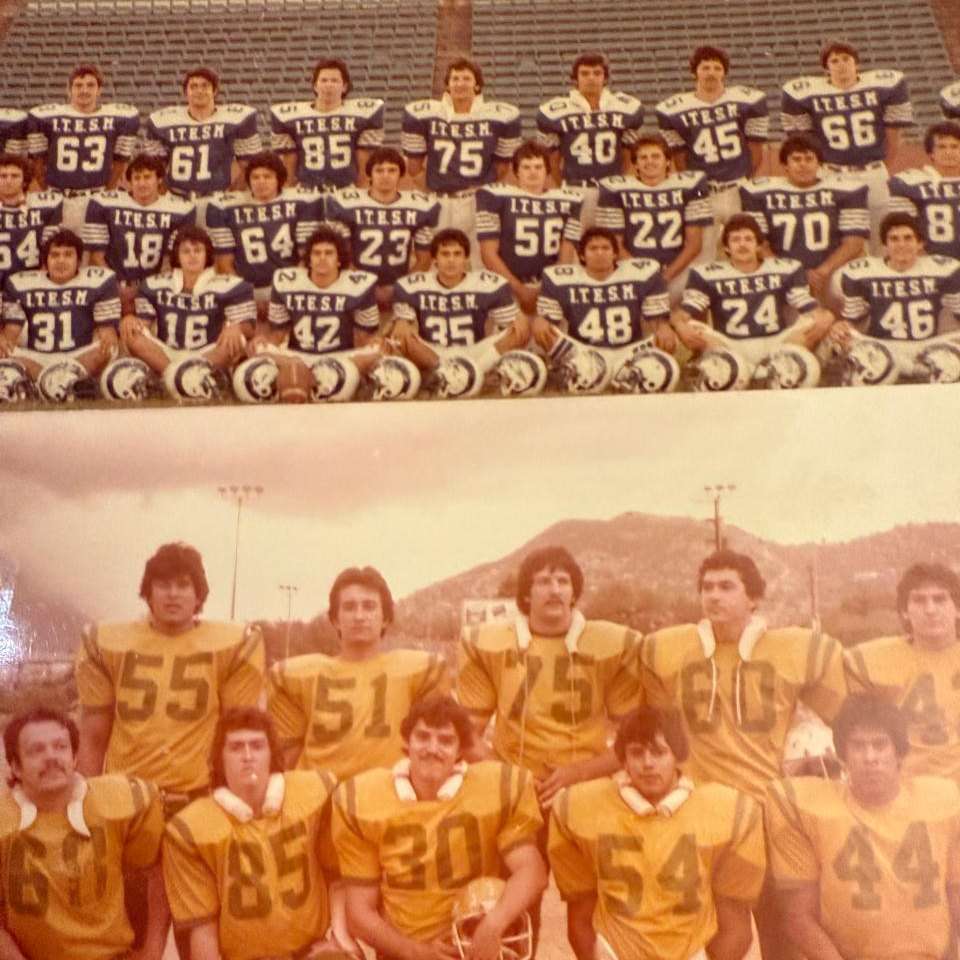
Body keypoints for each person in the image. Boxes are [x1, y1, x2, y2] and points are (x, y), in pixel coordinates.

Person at [641, 549, 847, 960]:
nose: (713, 596)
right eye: (707, 587)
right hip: (702, 815)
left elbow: (846, 718)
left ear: (753, 598)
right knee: (718, 937)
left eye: (726, 586)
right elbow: (655, 726)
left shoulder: (790, 648)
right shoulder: (668, 650)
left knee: (782, 935)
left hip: (768, 813)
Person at [332, 695, 547, 960]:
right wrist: (417, 952)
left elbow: (532, 870)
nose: (432, 748)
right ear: (406, 743)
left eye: (446, 740)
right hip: (402, 950)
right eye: (422, 737)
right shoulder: (365, 798)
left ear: (460, 751)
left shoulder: (493, 788)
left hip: (473, 942)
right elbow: (359, 912)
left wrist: (494, 924)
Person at [549, 707, 765, 960]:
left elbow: (737, 929)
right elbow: (579, 920)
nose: (648, 763)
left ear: (678, 755)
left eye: (659, 752)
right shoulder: (583, 808)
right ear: (623, 758)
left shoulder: (724, 811)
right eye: (637, 753)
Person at [765, 695, 960, 960]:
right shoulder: (809, 809)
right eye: (858, 746)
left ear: (899, 752)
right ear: (843, 754)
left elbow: (955, 895)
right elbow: (798, 916)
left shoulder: (942, 801)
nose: (870, 757)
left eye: (880, 745)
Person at [162, 708, 351, 960]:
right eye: (236, 747)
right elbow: (202, 927)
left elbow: (338, 879)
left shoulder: (313, 795)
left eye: (257, 745)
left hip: (311, 952)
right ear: (220, 758)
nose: (248, 756)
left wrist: (339, 938)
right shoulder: (190, 829)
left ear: (272, 753)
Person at [0, 707, 166, 960]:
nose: (51, 757)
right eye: (36, 750)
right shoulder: (4, 821)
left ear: (75, 757)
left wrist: (153, 948)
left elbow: (158, 872)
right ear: (15, 767)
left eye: (60, 746)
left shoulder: (117, 802)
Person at [267, 565, 450, 780]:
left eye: (369, 606)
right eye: (349, 607)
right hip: (320, 798)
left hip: (386, 798)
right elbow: (286, 758)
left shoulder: (418, 671)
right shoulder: (302, 676)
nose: (359, 616)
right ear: (335, 619)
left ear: (386, 618)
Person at [672, 214, 835, 387]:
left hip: (777, 343)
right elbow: (683, 313)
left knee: (815, 320)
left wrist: (828, 317)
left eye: (748, 239)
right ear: (726, 247)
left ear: (758, 245)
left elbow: (806, 305)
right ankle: (748, 370)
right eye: (735, 240)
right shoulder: (706, 274)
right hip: (729, 345)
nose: (742, 244)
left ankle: (764, 369)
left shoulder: (784, 268)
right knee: (691, 326)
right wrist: (680, 325)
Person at [781, 41, 913, 250]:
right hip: (833, 173)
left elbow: (893, 137)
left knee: (881, 240)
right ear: (826, 68)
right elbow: (803, 142)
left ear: (856, 63)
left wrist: (883, 166)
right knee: (837, 240)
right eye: (834, 60)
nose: (841, 65)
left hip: (873, 171)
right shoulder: (807, 93)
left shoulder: (881, 86)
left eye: (846, 59)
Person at [845, 563, 960, 783]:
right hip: (902, 794)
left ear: (958, 608)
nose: (930, 609)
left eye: (940, 599)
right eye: (919, 600)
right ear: (904, 612)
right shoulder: (872, 658)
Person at [119, 225, 256, 401]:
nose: (192, 256)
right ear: (177, 256)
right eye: (186, 251)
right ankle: (181, 378)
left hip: (207, 353)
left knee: (236, 339)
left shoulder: (231, 286)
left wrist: (237, 327)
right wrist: (130, 319)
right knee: (131, 334)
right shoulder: (155, 284)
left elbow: (250, 329)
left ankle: (171, 380)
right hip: (166, 353)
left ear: (207, 254)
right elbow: (143, 326)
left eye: (197, 250)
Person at [246, 225, 380, 401]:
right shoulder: (286, 281)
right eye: (316, 253)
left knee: (378, 350)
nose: (322, 258)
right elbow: (278, 333)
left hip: (340, 357)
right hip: (297, 356)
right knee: (256, 356)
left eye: (329, 253)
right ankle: (300, 375)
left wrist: (375, 345)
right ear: (308, 259)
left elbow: (364, 336)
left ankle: (300, 379)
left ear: (340, 259)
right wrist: (264, 341)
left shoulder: (360, 285)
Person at [402, 58, 521, 253]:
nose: (460, 83)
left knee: (480, 262)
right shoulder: (428, 114)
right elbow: (413, 167)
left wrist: (479, 191)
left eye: (466, 78)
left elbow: (502, 167)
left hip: (476, 200)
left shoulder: (497, 116)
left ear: (477, 85)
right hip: (438, 200)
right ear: (447, 85)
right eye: (455, 79)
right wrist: (434, 188)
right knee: (437, 261)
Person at [740, 134, 868, 305]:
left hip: (830, 271)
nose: (803, 164)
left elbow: (854, 242)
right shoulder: (759, 192)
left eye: (809, 159)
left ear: (819, 163)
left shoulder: (845, 189)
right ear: (785, 165)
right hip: (783, 274)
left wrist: (823, 271)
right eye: (796, 159)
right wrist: (789, 273)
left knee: (849, 288)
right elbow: (758, 243)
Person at [833, 212, 960, 384]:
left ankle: (911, 370)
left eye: (908, 238)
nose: (902, 245)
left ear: (920, 243)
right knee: (846, 341)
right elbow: (855, 319)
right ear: (884, 244)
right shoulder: (861, 272)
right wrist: (842, 327)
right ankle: (917, 371)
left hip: (929, 346)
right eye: (894, 239)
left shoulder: (944, 269)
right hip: (881, 346)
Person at [390, 228, 529, 383]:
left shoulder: (486, 283)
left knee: (519, 328)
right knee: (402, 334)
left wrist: (518, 320)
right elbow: (401, 329)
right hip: (433, 352)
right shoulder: (413, 285)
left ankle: (472, 374)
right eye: (445, 254)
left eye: (457, 254)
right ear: (434, 258)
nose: (451, 260)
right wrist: (401, 323)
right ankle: (446, 373)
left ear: (466, 258)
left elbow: (513, 327)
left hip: (477, 352)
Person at [655, 46, 768, 231]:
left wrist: (745, 179)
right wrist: (695, 185)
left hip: (737, 187)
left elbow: (755, 147)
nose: (711, 73)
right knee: (703, 255)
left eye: (717, 68)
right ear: (694, 72)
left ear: (724, 73)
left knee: (745, 245)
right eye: (705, 68)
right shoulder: (673, 109)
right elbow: (679, 155)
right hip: (704, 191)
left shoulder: (746, 100)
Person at [0, 228, 119, 402]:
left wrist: (107, 343)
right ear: (45, 261)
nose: (61, 260)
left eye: (68, 254)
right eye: (54, 255)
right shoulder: (21, 283)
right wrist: (3, 343)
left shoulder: (100, 281)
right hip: (37, 359)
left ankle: (45, 384)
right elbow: (11, 333)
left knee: (108, 348)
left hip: (79, 357)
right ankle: (67, 383)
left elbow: (107, 332)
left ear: (79, 260)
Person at [206, 150, 325, 318]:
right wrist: (244, 299)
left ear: (279, 180)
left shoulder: (303, 202)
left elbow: (306, 259)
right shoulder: (224, 207)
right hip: (245, 289)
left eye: (267, 176)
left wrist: (282, 297)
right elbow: (224, 265)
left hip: (290, 288)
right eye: (255, 177)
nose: (261, 182)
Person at [596, 133, 711, 303]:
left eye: (656, 156)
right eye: (643, 157)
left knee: (695, 299)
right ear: (635, 164)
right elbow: (616, 245)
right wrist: (643, 274)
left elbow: (694, 245)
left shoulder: (690, 185)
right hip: (633, 270)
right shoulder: (615, 189)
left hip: (679, 269)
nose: (649, 162)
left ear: (668, 161)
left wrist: (664, 278)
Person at [325, 146, 439, 312]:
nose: (385, 176)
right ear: (369, 174)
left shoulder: (420, 206)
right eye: (379, 170)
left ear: (400, 174)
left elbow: (424, 260)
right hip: (354, 287)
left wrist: (401, 288)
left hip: (400, 286)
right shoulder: (346, 204)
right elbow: (342, 257)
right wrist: (365, 286)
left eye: (392, 170)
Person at [536, 53, 644, 226]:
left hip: (612, 189)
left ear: (605, 78)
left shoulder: (625, 107)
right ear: (575, 79)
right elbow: (552, 162)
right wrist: (560, 190)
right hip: (575, 188)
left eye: (597, 73)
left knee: (612, 244)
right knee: (572, 246)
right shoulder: (555, 110)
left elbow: (629, 159)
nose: (591, 78)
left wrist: (622, 187)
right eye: (585, 73)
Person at [476, 140, 582, 316]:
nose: (533, 172)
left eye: (538, 167)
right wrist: (520, 290)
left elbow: (566, 253)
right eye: (526, 167)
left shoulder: (569, 200)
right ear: (515, 170)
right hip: (508, 285)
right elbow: (488, 253)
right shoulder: (494, 197)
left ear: (547, 170)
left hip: (548, 286)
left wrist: (549, 288)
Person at [27, 64, 139, 229]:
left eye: (90, 85)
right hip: (58, 196)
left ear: (99, 90)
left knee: (92, 251)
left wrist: (108, 189)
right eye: (78, 85)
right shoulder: (49, 117)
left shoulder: (116, 117)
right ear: (69, 89)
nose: (84, 90)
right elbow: (37, 159)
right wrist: (45, 188)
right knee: (58, 250)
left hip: (96, 197)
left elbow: (120, 161)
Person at [534, 226, 673, 354]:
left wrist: (663, 327)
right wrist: (542, 320)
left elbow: (658, 319)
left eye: (606, 248)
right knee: (541, 327)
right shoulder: (560, 279)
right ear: (582, 255)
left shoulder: (641, 274)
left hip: (632, 352)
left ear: (615, 254)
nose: (600, 253)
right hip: (583, 354)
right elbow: (547, 320)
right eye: (593, 248)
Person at [83, 153, 196, 310]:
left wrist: (146, 290)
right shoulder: (105, 204)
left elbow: (170, 263)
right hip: (113, 287)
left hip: (154, 288)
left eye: (147, 177)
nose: (142, 183)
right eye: (137, 178)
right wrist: (115, 289)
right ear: (129, 182)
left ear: (159, 179)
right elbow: (96, 258)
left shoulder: (180, 210)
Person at [142, 67, 260, 208]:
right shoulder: (163, 120)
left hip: (218, 199)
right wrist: (166, 195)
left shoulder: (235, 118)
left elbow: (251, 166)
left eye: (205, 86)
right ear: (185, 92)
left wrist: (233, 193)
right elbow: (153, 170)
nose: (199, 91)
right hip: (178, 199)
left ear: (215, 91)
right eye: (194, 86)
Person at [270, 57, 385, 192]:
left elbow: (364, 168)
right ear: (315, 85)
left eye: (334, 80)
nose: (329, 85)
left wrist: (362, 192)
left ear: (344, 86)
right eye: (323, 80)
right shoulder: (290, 117)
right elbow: (288, 170)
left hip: (346, 190)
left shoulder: (363, 114)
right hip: (306, 190)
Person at [888, 121, 960, 261]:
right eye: (941, 147)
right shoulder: (911, 183)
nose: (948, 152)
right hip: (933, 262)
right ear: (931, 153)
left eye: (954, 146)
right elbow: (902, 230)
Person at [0, 152, 62, 289]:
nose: (8, 181)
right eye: (3, 176)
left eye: (15, 176)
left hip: (31, 284)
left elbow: (50, 250)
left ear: (25, 179)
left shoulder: (45, 206)